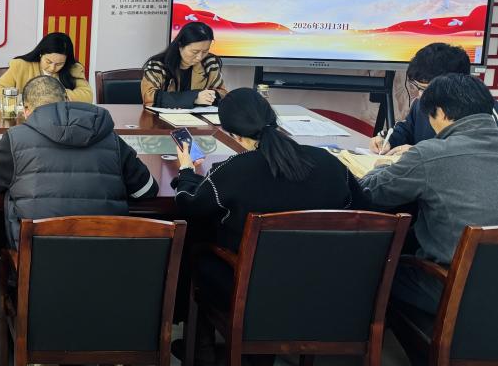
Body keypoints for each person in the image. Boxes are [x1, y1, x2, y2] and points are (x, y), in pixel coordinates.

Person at [359, 74, 498, 317]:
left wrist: (384, 167)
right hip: (486, 292)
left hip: (455, 293)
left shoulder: (432, 154)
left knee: (371, 267)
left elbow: (369, 193)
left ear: (441, 113)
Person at [173, 88, 362, 254]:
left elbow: (189, 205)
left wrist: (187, 169)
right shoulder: (327, 161)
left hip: (249, 279)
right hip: (330, 274)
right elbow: (363, 209)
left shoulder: (232, 171)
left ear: (235, 135)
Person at [0, 75, 157, 248]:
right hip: (106, 255)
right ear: (66, 100)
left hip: (39, 258)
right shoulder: (110, 137)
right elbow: (146, 190)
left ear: (26, 109)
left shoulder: (15, 139)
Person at [371, 43, 498, 153]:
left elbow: (481, 157)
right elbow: (405, 130)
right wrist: (386, 140)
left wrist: (422, 154)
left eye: (426, 89)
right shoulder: (420, 105)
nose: (420, 95)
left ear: (457, 83)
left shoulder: (485, 113)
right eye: (416, 87)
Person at [0, 31, 93, 105]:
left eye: (59, 64)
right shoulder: (21, 66)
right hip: (26, 121)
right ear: (40, 54)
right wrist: (27, 98)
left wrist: (56, 95)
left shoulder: (73, 68)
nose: (52, 68)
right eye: (48, 62)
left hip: (62, 123)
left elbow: (88, 96)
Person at [141, 21, 226, 108]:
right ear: (180, 46)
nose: (199, 57)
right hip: (162, 116)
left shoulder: (209, 63)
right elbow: (149, 98)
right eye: (195, 52)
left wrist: (211, 96)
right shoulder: (158, 65)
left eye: (205, 51)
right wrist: (194, 98)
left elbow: (222, 94)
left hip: (199, 115)